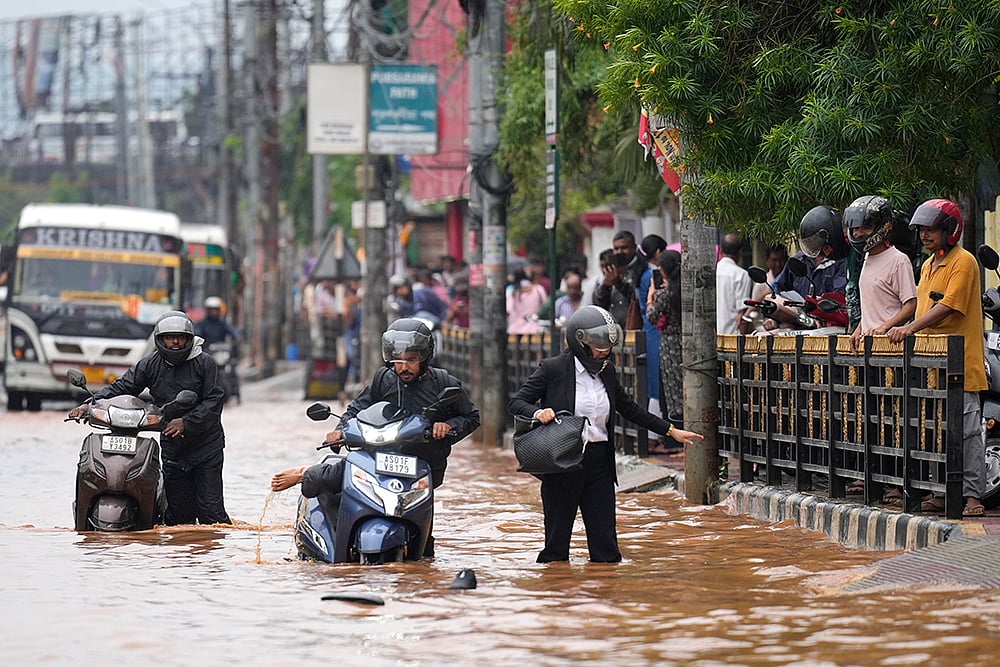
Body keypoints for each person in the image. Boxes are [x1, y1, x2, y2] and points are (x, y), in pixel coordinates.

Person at [508, 305, 703, 563]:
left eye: (608, 347)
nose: (605, 352)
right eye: (599, 347)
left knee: (607, 551)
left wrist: (670, 430)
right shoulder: (553, 369)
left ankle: (604, 598)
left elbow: (630, 409)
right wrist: (539, 412)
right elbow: (517, 402)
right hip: (563, 462)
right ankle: (555, 597)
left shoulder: (606, 372)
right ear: (580, 343)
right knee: (556, 550)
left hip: (599, 463)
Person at [270, 318, 480, 555]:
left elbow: (471, 417)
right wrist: (341, 428)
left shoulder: (444, 383)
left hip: (422, 464)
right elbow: (356, 408)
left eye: (411, 360)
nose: (404, 367)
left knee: (425, 547)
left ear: (424, 356)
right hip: (379, 456)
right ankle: (310, 483)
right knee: (330, 477)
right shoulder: (383, 379)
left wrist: (448, 427)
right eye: (398, 360)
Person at [67, 311, 231, 526]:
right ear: (160, 339)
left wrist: (186, 423)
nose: (175, 342)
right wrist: (90, 404)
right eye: (169, 337)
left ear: (188, 339)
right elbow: (124, 386)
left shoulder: (204, 363)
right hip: (172, 447)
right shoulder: (151, 364)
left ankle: (209, 555)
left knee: (211, 514)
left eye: (180, 337)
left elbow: (214, 400)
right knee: (178, 519)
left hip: (205, 448)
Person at [887, 198, 986, 517]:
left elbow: (948, 307)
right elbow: (921, 307)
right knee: (934, 431)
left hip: (961, 361)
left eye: (931, 230)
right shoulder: (928, 266)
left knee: (967, 432)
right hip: (932, 365)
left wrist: (910, 328)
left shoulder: (964, 261)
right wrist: (898, 325)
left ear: (949, 231)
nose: (925, 236)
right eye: (922, 230)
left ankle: (973, 498)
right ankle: (941, 492)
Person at [844, 195, 917, 505]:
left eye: (864, 228)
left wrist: (885, 326)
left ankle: (896, 485)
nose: (859, 233)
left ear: (881, 227)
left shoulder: (898, 260)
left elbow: (910, 305)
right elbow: (869, 306)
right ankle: (872, 478)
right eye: (855, 229)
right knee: (870, 419)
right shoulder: (866, 261)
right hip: (869, 352)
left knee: (894, 420)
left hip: (892, 352)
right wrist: (860, 328)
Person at [765, 205, 849, 331]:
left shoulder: (843, 261)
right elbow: (777, 289)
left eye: (816, 241)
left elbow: (838, 299)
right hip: (799, 325)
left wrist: (819, 311)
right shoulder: (798, 259)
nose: (813, 246)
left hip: (831, 329)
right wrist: (771, 318)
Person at [646, 249, 683, 451]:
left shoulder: (664, 294)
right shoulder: (685, 291)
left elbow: (651, 317)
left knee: (673, 389)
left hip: (669, 345)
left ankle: (676, 435)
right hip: (687, 343)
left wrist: (651, 295)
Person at [716, 233, 752, 335]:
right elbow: (742, 311)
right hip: (732, 335)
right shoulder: (742, 275)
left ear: (721, 249)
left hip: (713, 334)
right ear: (740, 252)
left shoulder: (711, 272)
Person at [507, 268, 548, 334]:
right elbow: (545, 307)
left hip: (515, 329)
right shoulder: (539, 289)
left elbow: (508, 309)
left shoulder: (513, 292)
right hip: (535, 329)